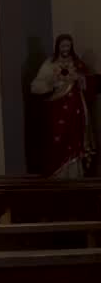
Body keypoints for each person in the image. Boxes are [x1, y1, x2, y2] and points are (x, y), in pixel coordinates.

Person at [30, 34, 95, 178]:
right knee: (57, 139)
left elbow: (88, 83)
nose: (65, 49)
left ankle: (75, 174)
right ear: (57, 46)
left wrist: (80, 79)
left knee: (74, 139)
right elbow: (35, 86)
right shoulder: (50, 64)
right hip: (56, 110)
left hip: (74, 110)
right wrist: (52, 83)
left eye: (68, 46)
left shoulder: (77, 64)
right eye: (63, 46)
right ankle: (58, 174)